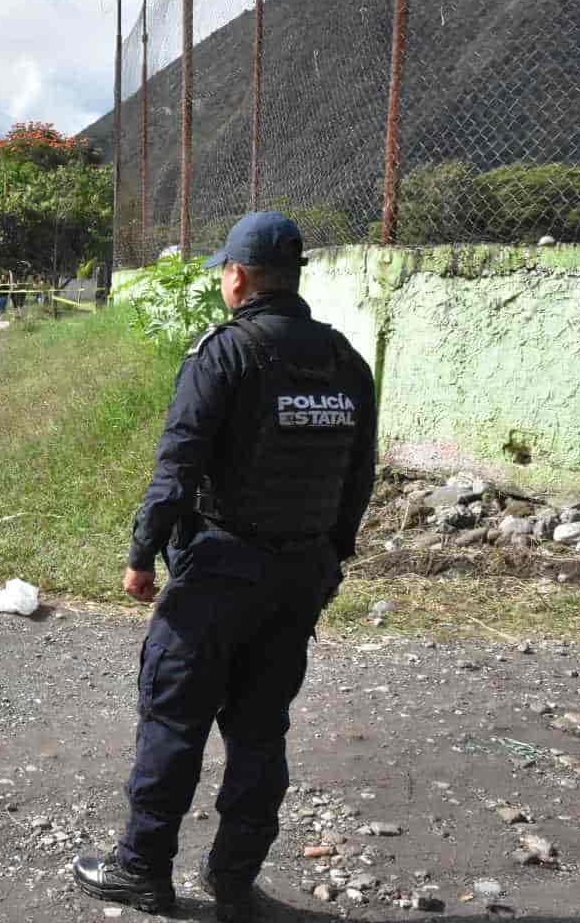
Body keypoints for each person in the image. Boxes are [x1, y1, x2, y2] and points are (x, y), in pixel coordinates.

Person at [73, 212, 378, 921]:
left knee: (174, 720)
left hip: (218, 572)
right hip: (299, 577)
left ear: (236, 277)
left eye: (223, 273)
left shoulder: (225, 351)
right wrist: (332, 559)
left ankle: (142, 871)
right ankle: (234, 880)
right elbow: (358, 477)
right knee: (261, 728)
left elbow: (177, 463)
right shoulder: (345, 360)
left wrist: (140, 554)